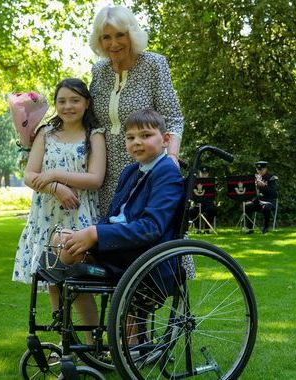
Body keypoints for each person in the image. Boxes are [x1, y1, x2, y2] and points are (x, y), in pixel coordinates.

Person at [12, 78, 106, 338]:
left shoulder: (94, 135)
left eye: (75, 100)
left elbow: (95, 178)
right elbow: (30, 175)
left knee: (78, 282)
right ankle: (64, 342)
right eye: (62, 101)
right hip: (47, 215)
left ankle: (91, 342)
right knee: (54, 281)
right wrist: (55, 188)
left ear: (86, 103)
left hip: (80, 215)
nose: (68, 106)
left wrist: (54, 174)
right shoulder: (45, 133)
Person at [54, 109, 184, 277]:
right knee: (59, 239)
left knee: (66, 249)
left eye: (145, 136)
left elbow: (152, 228)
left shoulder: (167, 171)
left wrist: (96, 234)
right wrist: (93, 233)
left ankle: (71, 287)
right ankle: (66, 294)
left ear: (166, 139)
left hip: (140, 253)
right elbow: (113, 214)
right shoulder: (130, 172)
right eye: (130, 137)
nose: (137, 142)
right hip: (118, 245)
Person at [89, 5, 184, 214]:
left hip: (145, 165)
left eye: (120, 35)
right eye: (106, 37)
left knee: (140, 228)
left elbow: (174, 118)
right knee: (108, 230)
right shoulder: (99, 71)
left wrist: (172, 157)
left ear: (131, 34)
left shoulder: (154, 64)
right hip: (104, 169)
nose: (113, 43)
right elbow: (88, 119)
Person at [245, 161, 278, 234]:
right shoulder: (254, 178)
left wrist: (264, 186)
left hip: (269, 201)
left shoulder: (271, 178)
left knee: (266, 208)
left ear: (266, 169)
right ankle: (250, 228)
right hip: (257, 201)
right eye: (258, 170)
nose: (259, 171)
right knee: (247, 206)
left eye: (261, 169)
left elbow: (274, 194)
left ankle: (266, 227)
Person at [189, 166, 217, 234]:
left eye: (205, 173)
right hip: (197, 203)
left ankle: (207, 229)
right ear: (200, 173)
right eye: (202, 173)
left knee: (212, 209)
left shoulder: (212, 182)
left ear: (208, 174)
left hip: (208, 203)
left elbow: (215, 194)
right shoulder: (194, 181)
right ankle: (197, 228)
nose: (204, 174)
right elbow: (190, 193)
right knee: (191, 210)